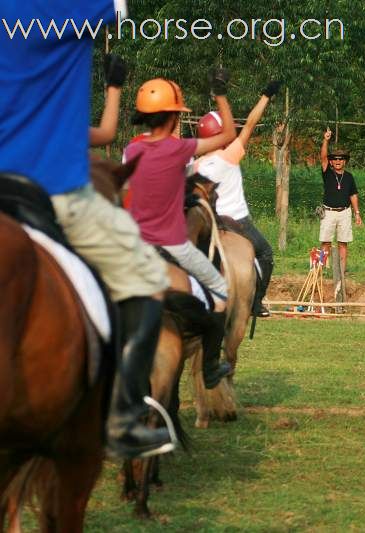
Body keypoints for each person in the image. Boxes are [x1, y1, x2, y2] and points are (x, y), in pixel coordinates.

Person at [0, 2, 180, 459]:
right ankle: (122, 419)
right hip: (54, 187)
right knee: (147, 277)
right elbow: (122, 10)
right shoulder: (79, 6)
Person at [124, 70, 237, 392]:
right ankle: (211, 368)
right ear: (174, 116)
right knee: (219, 292)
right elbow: (228, 134)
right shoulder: (180, 149)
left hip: (135, 247)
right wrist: (219, 95)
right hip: (174, 246)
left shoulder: (132, 151)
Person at [194, 80, 283, 317]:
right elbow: (250, 125)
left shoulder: (194, 165)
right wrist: (266, 96)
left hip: (208, 223)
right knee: (265, 254)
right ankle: (256, 303)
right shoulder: (229, 155)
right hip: (237, 222)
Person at [319, 127, 362, 274]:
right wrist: (326, 140)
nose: (337, 161)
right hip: (329, 212)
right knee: (325, 242)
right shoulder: (327, 173)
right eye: (335, 159)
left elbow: (353, 195)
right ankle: (322, 269)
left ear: (345, 161)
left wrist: (357, 213)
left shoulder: (349, 177)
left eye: (341, 159)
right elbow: (323, 157)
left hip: (345, 212)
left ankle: (341, 272)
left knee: (343, 243)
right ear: (331, 162)